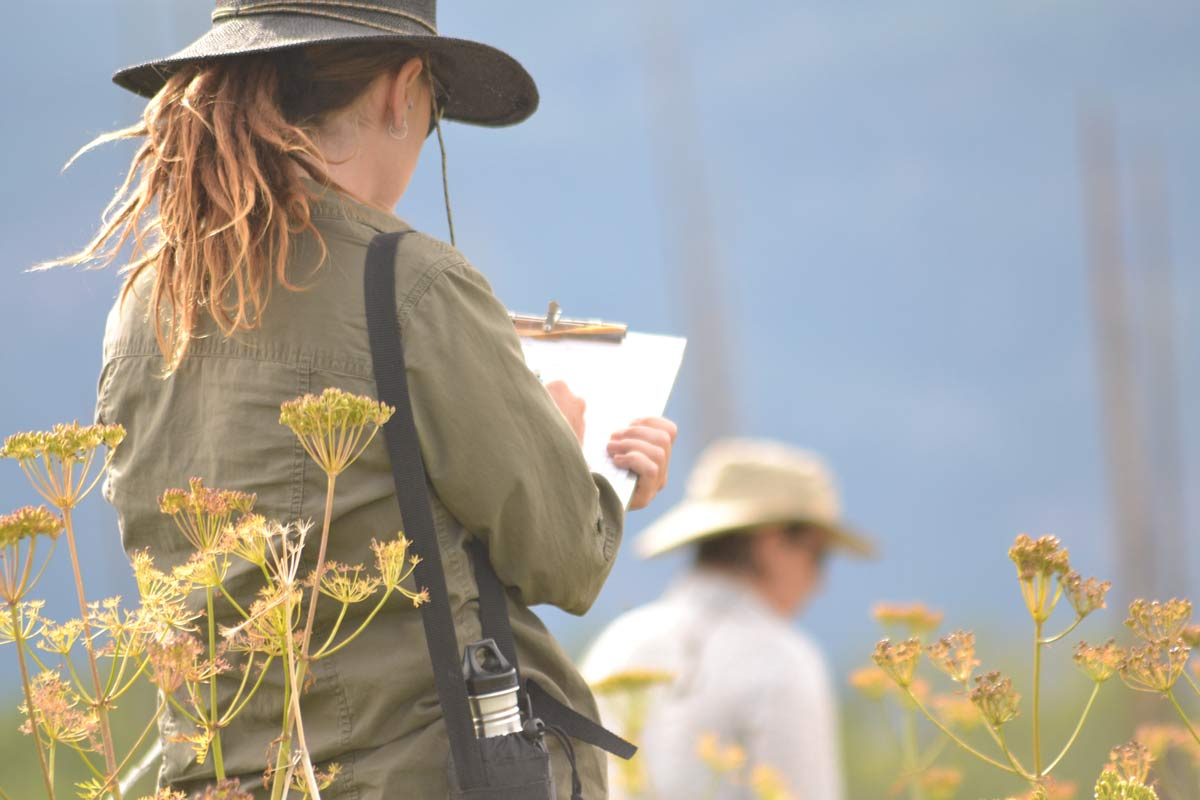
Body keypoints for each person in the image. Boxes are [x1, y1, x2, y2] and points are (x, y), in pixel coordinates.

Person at [68, 2, 677, 796]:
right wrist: (581, 462)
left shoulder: (148, 300)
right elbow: (565, 561)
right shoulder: (412, 283)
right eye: (434, 107)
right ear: (401, 90)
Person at [581, 439, 875, 800]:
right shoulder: (782, 660)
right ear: (772, 543)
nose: (820, 582)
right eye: (818, 556)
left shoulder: (620, 641)